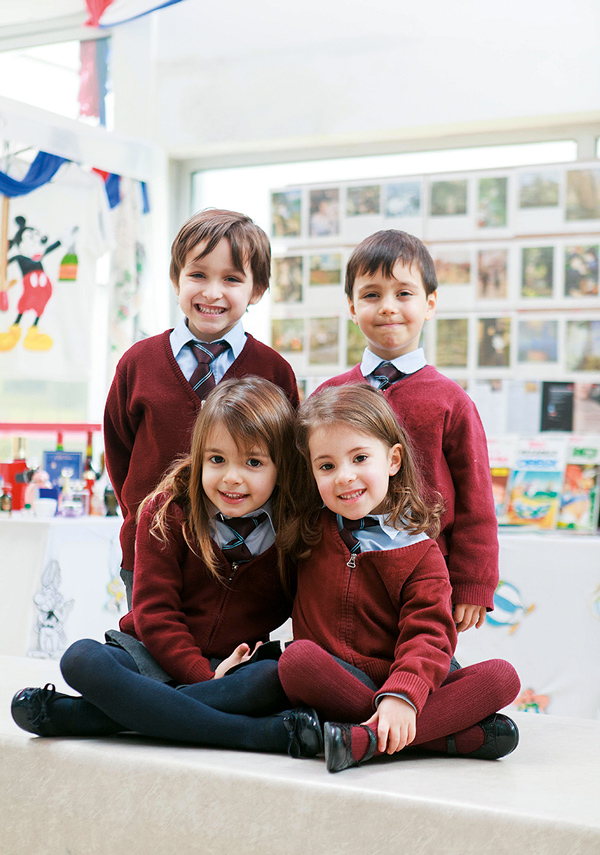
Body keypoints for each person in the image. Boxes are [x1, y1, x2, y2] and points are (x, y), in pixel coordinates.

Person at [11, 378, 321, 760]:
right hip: (150, 654)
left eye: (253, 463)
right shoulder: (168, 511)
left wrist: (228, 672)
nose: (232, 477)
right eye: (217, 459)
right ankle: (258, 734)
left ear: (282, 467)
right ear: (199, 456)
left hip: (234, 666)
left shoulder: (297, 529)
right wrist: (204, 678)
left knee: (274, 676)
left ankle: (84, 716)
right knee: (81, 659)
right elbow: (155, 614)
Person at [278, 384, 520, 772]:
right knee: (297, 660)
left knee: (501, 677)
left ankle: (362, 739)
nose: (344, 477)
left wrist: (402, 695)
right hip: (336, 683)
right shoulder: (305, 532)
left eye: (360, 458)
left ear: (393, 460)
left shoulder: (419, 550)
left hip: (403, 677)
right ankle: (442, 737)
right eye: (326, 466)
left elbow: (430, 634)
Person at [104, 209, 299, 608]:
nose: (212, 293)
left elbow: (288, 463)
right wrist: (141, 516)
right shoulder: (138, 363)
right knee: (153, 639)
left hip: (244, 558)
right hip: (149, 551)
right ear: (176, 279)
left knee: (232, 646)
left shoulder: (274, 371)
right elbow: (119, 451)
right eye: (198, 275)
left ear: (257, 290)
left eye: (231, 279)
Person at [318, 230, 498, 632]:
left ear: (429, 303)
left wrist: (473, 581)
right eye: (371, 295)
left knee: (422, 656)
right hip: (340, 567)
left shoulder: (452, 401)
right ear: (352, 307)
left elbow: (477, 500)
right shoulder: (328, 397)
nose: (388, 307)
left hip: (426, 574)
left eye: (403, 293)